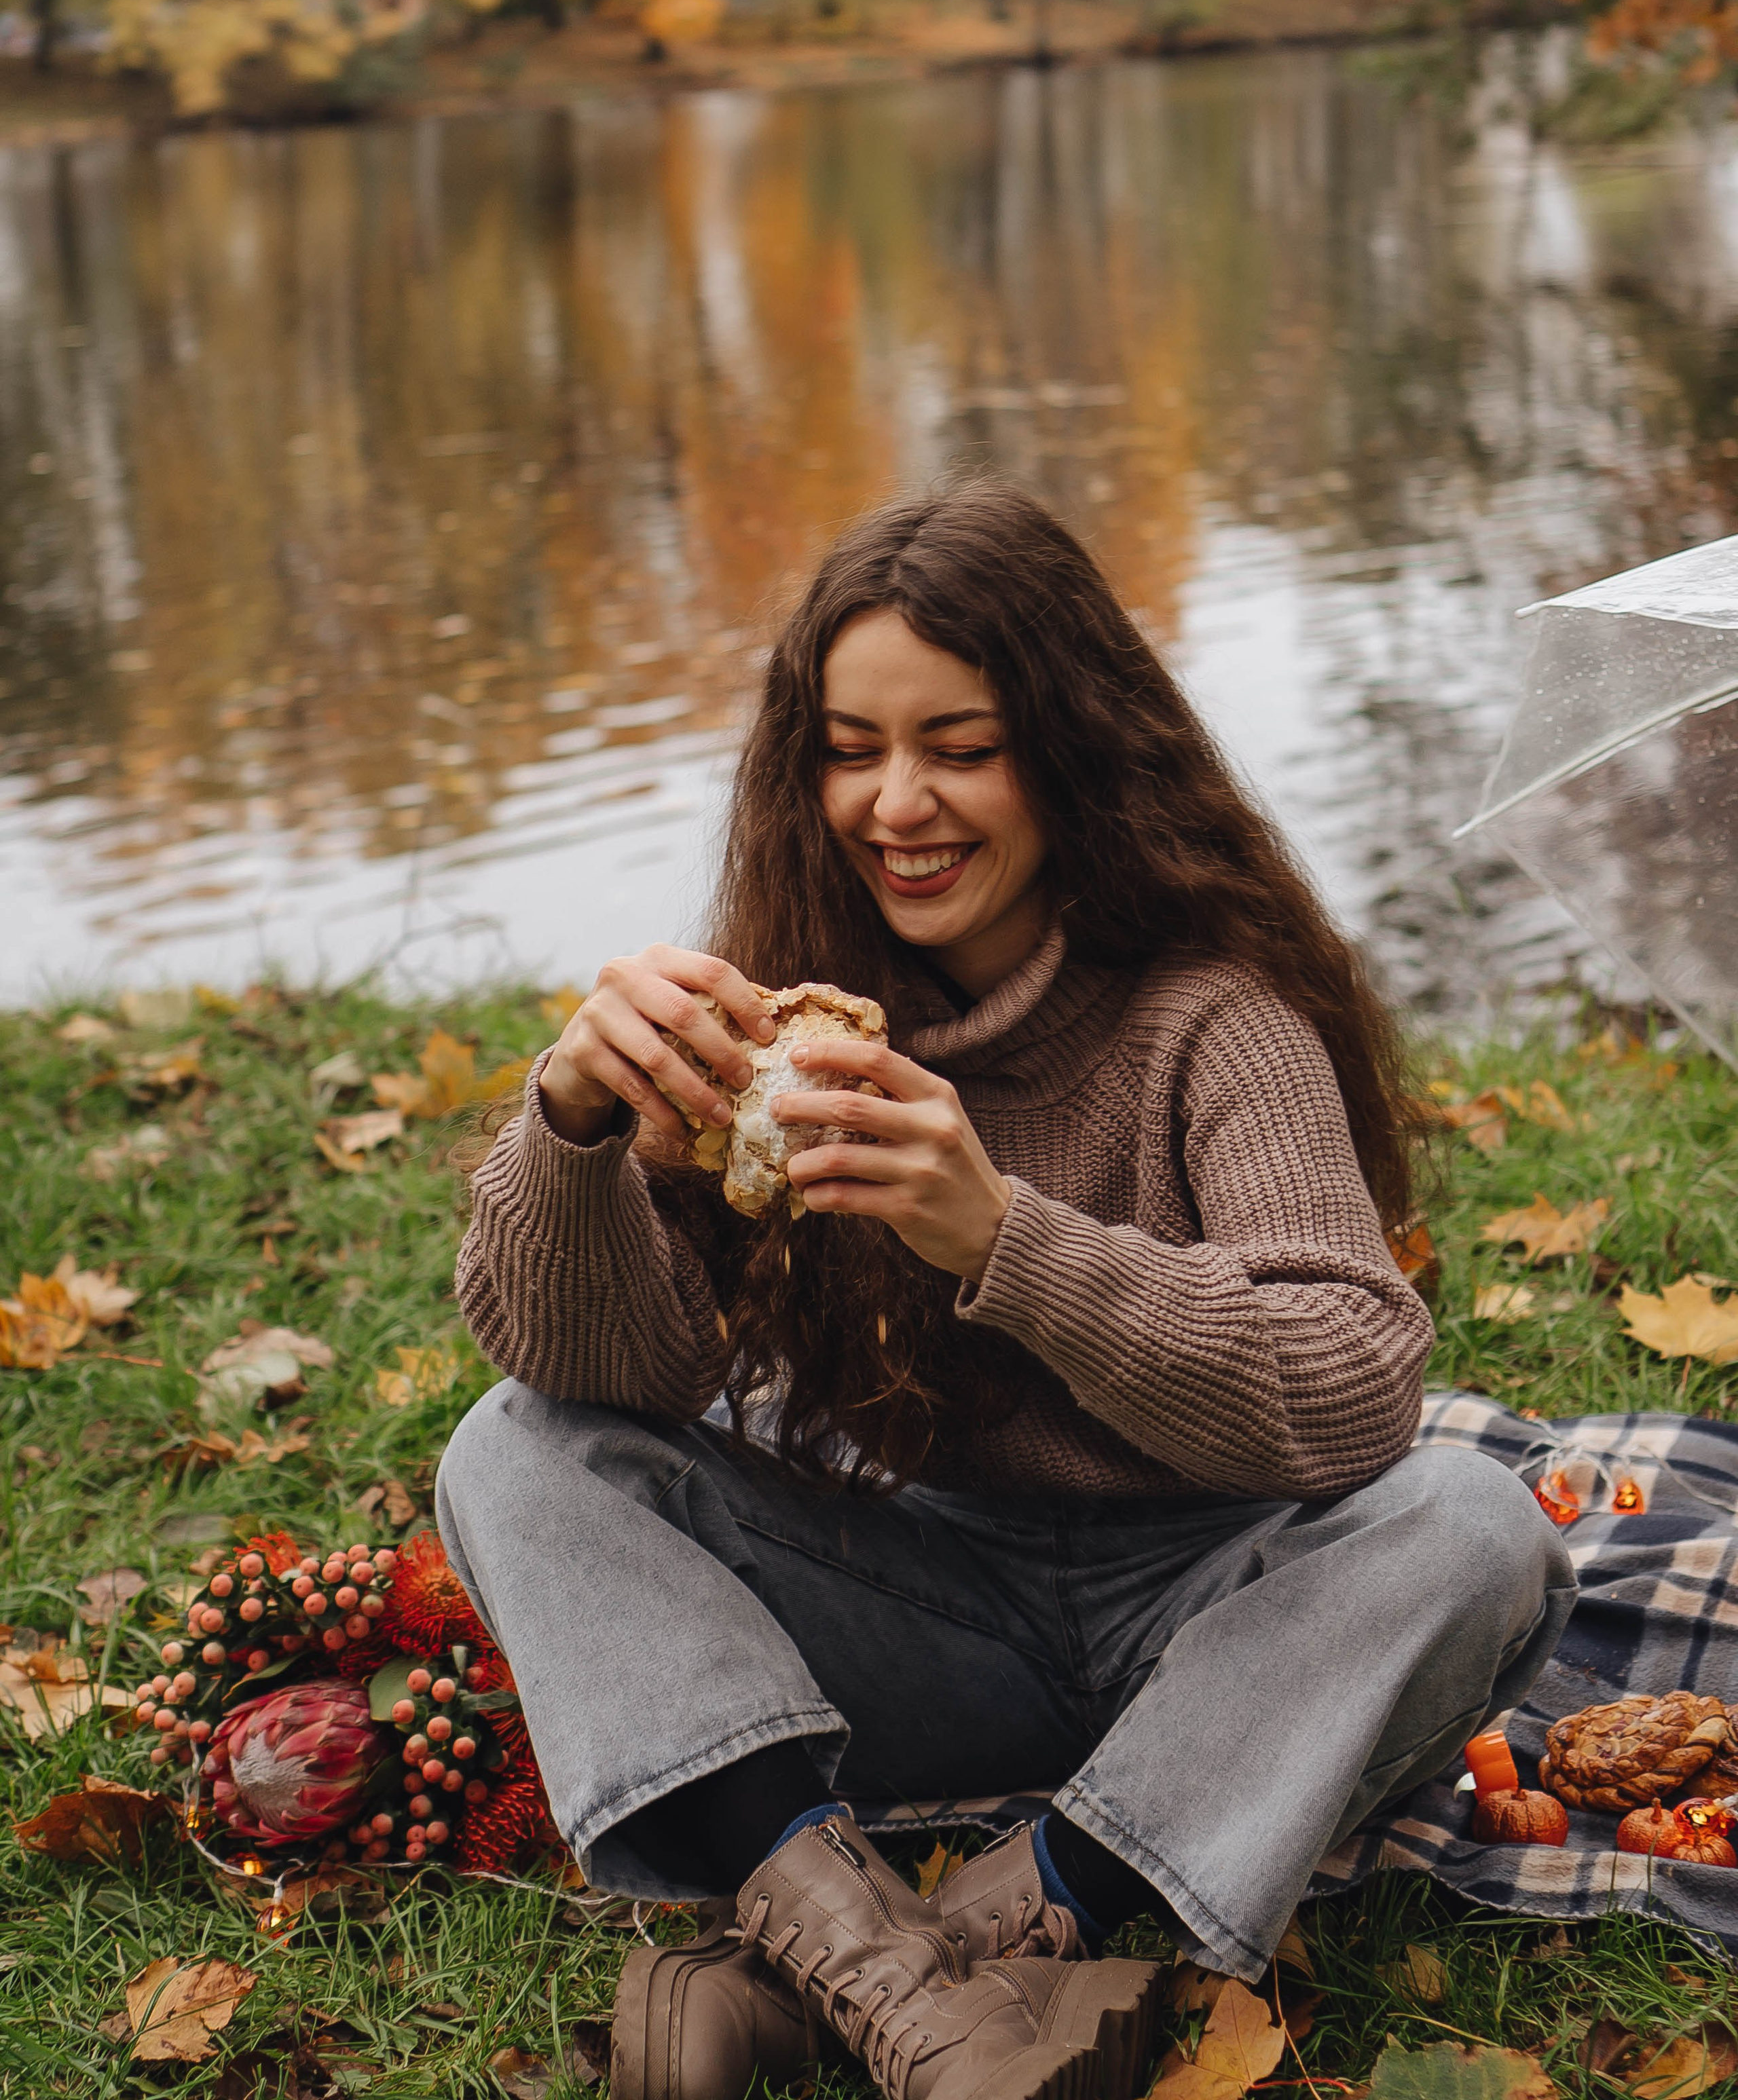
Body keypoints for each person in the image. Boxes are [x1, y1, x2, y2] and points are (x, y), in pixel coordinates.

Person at [437, 483, 1575, 2100]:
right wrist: (569, 1130)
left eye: (957, 746)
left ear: (1067, 746)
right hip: (922, 1618)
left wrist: (1001, 1240)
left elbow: (1348, 1390)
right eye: (849, 746)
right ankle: (883, 1965)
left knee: (1474, 1530)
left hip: (1224, 1619)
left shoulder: (1214, 1021)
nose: (895, 803)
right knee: (510, 1453)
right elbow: (599, 1375)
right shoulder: (764, 1021)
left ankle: (994, 1928)